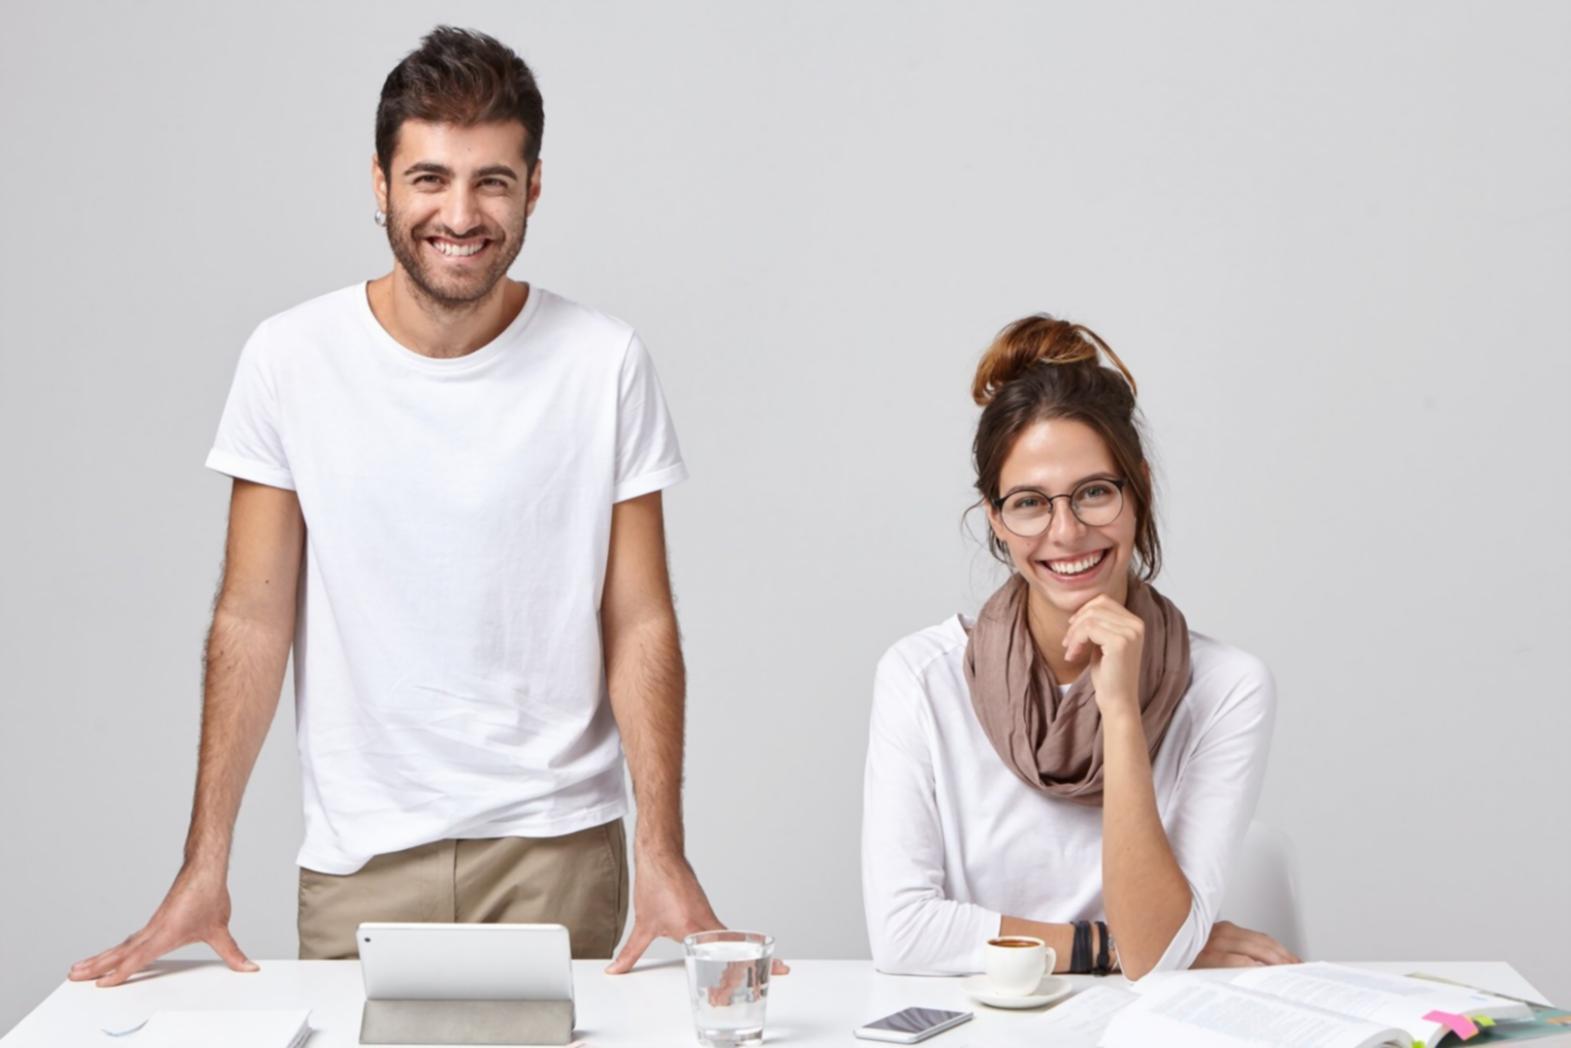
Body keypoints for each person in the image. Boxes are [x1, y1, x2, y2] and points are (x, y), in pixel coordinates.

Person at [70, 25, 755, 986]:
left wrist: (665, 849)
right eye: (429, 177)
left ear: (534, 188)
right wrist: (204, 862)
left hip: (555, 848)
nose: (460, 213)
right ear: (381, 184)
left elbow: (639, 619)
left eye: (492, 181)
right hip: (362, 857)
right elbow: (252, 618)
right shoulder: (290, 358)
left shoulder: (603, 361)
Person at [861, 315, 1300, 981]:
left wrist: (1120, 711)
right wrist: (1106, 946)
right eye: (1030, 503)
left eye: (1094, 493)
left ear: (1138, 490)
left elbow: (1153, 958)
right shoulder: (922, 677)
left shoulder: (1226, 686)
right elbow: (904, 935)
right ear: (995, 519)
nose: (1065, 533)